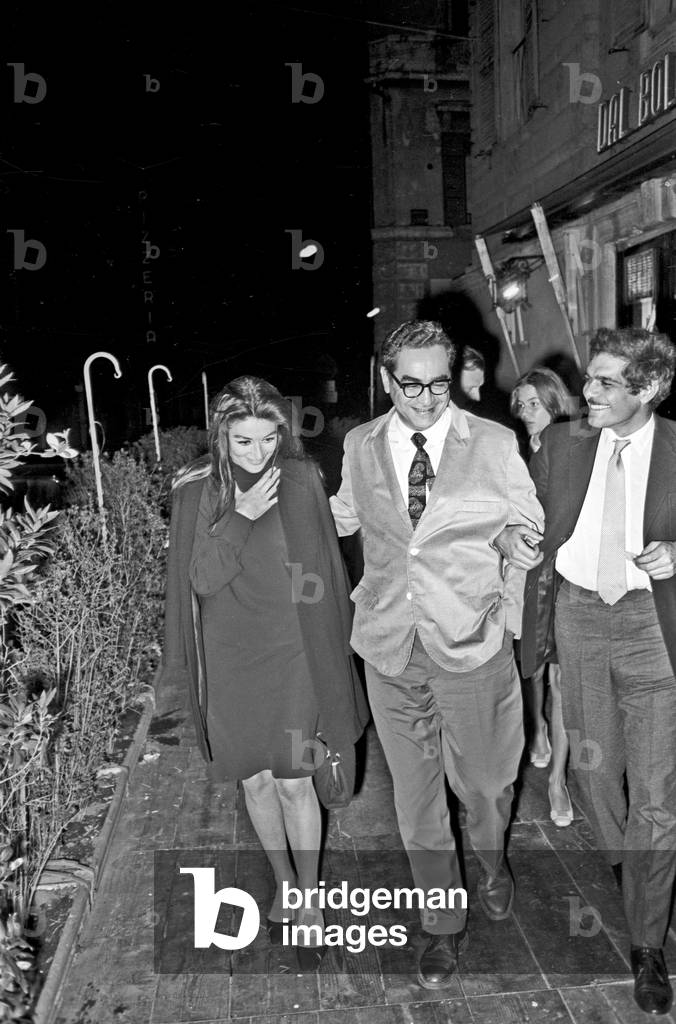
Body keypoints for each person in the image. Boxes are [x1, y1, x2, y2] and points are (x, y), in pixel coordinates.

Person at [330, 320, 544, 989]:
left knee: (485, 786)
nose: (424, 398)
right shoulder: (361, 444)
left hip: (471, 639)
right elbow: (340, 515)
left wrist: (514, 549)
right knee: (417, 800)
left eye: (438, 384)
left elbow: (524, 519)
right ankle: (441, 923)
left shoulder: (494, 442)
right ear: (386, 376)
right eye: (410, 384)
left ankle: (490, 860)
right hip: (391, 647)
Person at [161, 375, 369, 969]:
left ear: (282, 433)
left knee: (294, 778)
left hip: (295, 651)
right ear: (221, 437)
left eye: (267, 440)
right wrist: (241, 515)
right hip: (230, 658)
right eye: (242, 442)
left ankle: (310, 893)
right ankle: (283, 882)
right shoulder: (197, 489)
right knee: (253, 778)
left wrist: (337, 654)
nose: (257, 454)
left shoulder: (302, 478)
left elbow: (328, 574)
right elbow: (200, 579)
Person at [520, 327, 676, 1016]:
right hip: (579, 618)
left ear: (649, 388)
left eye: (607, 382)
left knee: (655, 796)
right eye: (590, 378)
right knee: (590, 774)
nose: (589, 391)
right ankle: (633, 868)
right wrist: (509, 535)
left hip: (651, 630)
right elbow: (517, 512)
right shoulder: (562, 444)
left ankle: (647, 944)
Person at [510, 368, 575, 828]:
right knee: (530, 665)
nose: (527, 412)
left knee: (564, 679)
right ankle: (537, 733)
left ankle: (558, 781)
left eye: (535, 403)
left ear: (555, 403)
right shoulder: (512, 453)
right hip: (532, 575)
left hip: (568, 572)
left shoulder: (575, 446)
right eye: (522, 404)